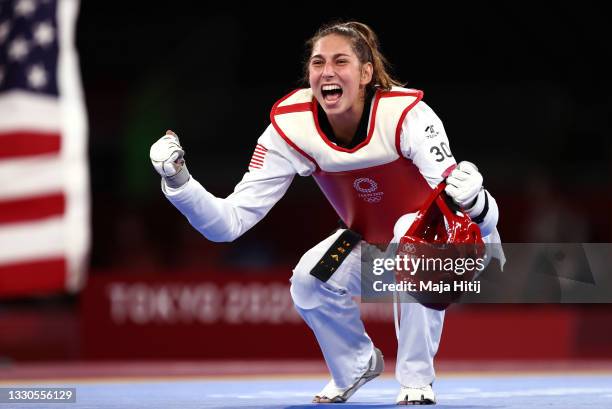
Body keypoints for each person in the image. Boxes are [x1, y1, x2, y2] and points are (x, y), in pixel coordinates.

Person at [149, 21, 500, 405]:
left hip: (452, 253)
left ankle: (416, 382)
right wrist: (179, 182)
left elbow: (463, 212)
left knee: (407, 237)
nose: (327, 72)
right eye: (318, 62)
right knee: (308, 279)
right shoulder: (290, 127)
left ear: (366, 73)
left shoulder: (408, 116)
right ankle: (354, 364)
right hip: (366, 241)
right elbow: (228, 223)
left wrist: (481, 205)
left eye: (340, 61)